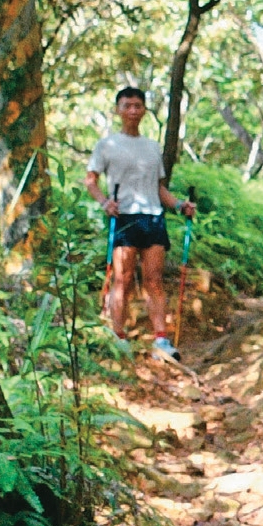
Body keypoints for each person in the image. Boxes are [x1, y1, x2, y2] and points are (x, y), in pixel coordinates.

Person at [85, 83, 188, 358]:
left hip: (153, 217)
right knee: (123, 279)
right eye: (127, 106)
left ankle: (161, 340)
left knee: (154, 280)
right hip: (124, 217)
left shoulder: (152, 147)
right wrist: (105, 202)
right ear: (118, 110)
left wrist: (179, 205)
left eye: (137, 106)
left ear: (144, 110)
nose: (132, 110)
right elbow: (91, 181)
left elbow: (159, 188)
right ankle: (118, 337)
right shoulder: (107, 145)